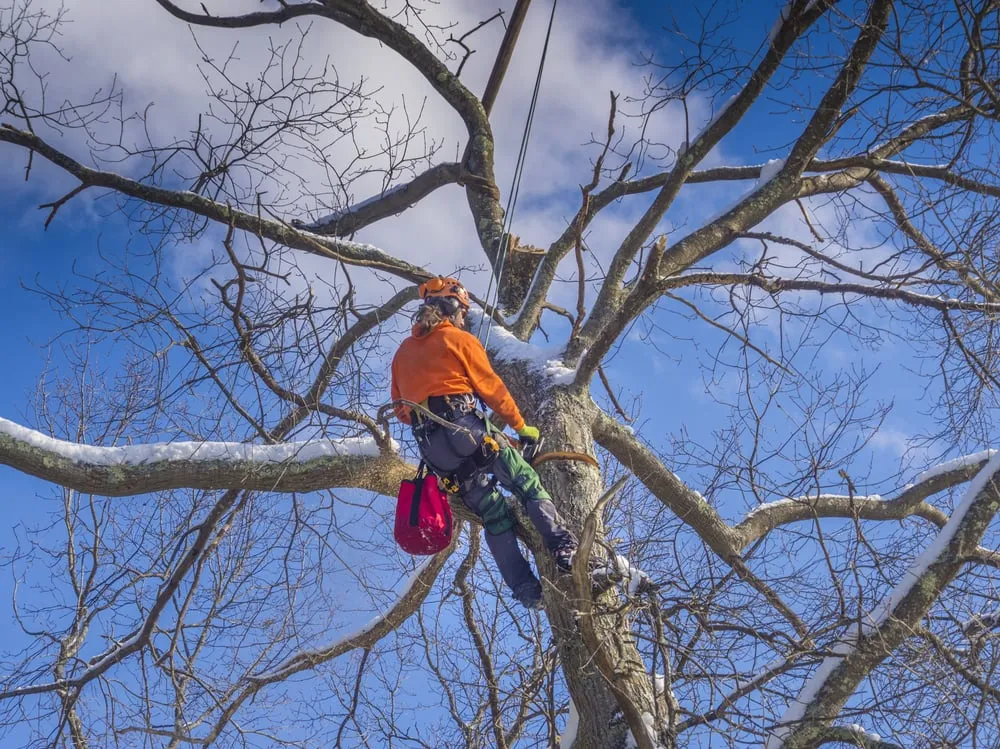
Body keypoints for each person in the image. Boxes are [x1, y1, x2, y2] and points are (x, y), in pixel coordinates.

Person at [390, 276, 578, 610]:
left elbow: (401, 410)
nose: (464, 317)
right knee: (524, 480)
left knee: (494, 514)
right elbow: (492, 389)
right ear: (451, 308)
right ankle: (563, 546)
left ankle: (526, 591)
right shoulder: (458, 339)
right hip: (464, 428)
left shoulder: (402, 353)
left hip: (434, 452)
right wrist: (522, 427)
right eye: (462, 310)